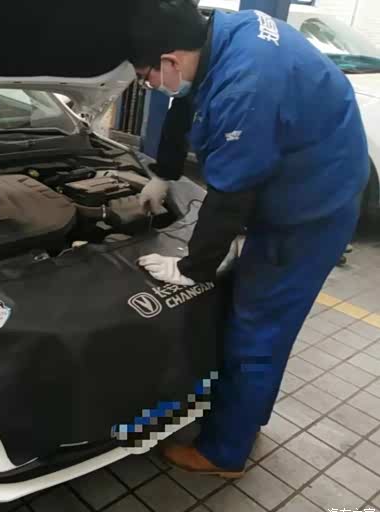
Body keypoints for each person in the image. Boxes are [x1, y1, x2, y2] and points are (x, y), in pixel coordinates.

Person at [129, 0, 369, 477]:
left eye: (145, 77)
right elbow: (186, 102)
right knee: (255, 316)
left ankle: (224, 451)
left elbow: (229, 197)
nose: (148, 86)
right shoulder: (223, 33)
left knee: (257, 327)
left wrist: (191, 267)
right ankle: (246, 414)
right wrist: (164, 173)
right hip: (313, 175)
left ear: (170, 60)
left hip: (309, 213)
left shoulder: (247, 85)